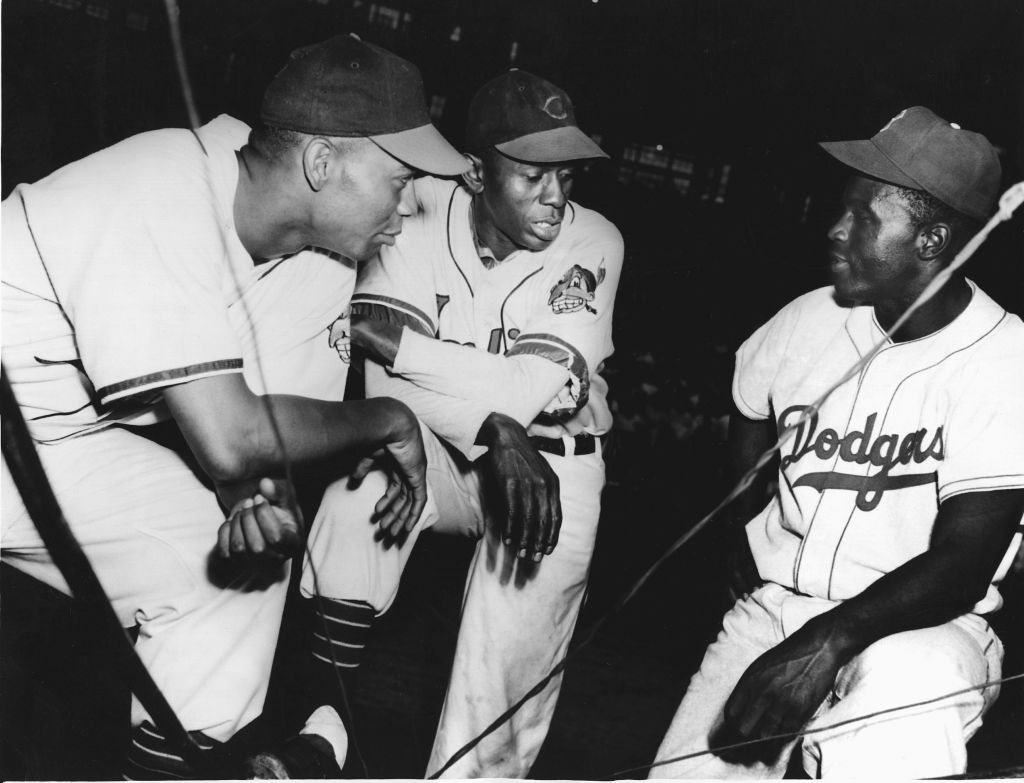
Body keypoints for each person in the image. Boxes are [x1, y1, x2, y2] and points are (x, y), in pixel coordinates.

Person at [1, 34, 469, 779]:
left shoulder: (320, 267)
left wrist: (263, 510)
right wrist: (390, 419)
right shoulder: (165, 179)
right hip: (20, 437)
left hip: (55, 446)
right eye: (401, 178)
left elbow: (263, 463)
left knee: (237, 575)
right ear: (323, 163)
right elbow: (229, 438)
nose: (409, 206)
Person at [650, 106, 1024, 779]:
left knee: (903, 698)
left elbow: (967, 560)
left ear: (932, 239)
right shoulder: (808, 316)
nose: (836, 228)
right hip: (780, 610)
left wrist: (827, 642)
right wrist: (744, 520)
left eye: (865, 216)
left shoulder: (1004, 358)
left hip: (924, 627)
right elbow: (749, 408)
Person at [294, 69, 623, 777]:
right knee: (356, 502)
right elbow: (385, 389)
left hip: (553, 470)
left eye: (566, 174)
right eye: (534, 174)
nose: (556, 197)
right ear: (476, 171)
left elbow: (527, 391)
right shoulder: (411, 213)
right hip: (439, 448)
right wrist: (494, 427)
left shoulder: (594, 241)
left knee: (494, 698)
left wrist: (407, 347)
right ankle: (325, 729)